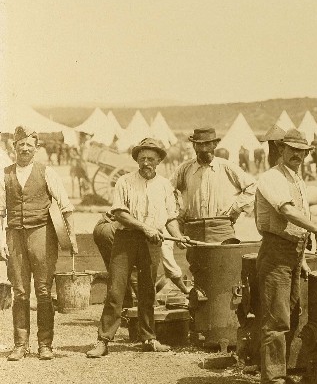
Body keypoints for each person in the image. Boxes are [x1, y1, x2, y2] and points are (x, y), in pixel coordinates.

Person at [87, 138, 191, 357]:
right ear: (136, 159)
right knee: (116, 290)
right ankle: (103, 340)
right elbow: (119, 213)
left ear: (159, 161)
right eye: (142, 158)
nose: (146, 162)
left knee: (147, 293)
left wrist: (178, 236)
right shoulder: (124, 181)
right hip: (126, 239)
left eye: (151, 159)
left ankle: (148, 338)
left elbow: (171, 217)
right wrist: (145, 227)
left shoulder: (165, 185)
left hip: (152, 242)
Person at [255, 129, 317, 384]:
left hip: (293, 253)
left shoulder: (296, 179)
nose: (297, 155)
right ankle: (273, 383)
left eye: (303, 151)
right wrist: (315, 229)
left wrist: (302, 258)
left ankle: (281, 373)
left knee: (293, 314)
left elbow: (303, 208)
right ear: (280, 149)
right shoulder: (271, 178)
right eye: (292, 150)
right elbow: (286, 210)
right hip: (276, 252)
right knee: (277, 319)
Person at [0, 126, 77, 360]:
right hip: (15, 235)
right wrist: (0, 241)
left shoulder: (47, 172)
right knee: (20, 291)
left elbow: (66, 206)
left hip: (42, 235)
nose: (24, 148)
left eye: (29, 145)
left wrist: (72, 236)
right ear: (14, 147)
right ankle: (20, 345)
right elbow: (0, 211)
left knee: (43, 290)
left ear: (36, 149)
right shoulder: (4, 174)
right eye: (20, 144)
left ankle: (45, 344)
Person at [172, 127, 256, 244]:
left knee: (225, 260)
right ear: (194, 146)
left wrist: (236, 209)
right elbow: (168, 190)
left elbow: (253, 186)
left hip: (221, 228)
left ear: (215, 144)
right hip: (193, 228)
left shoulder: (227, 167)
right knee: (195, 261)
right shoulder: (184, 169)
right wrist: (179, 212)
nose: (203, 149)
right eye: (199, 145)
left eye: (207, 144)